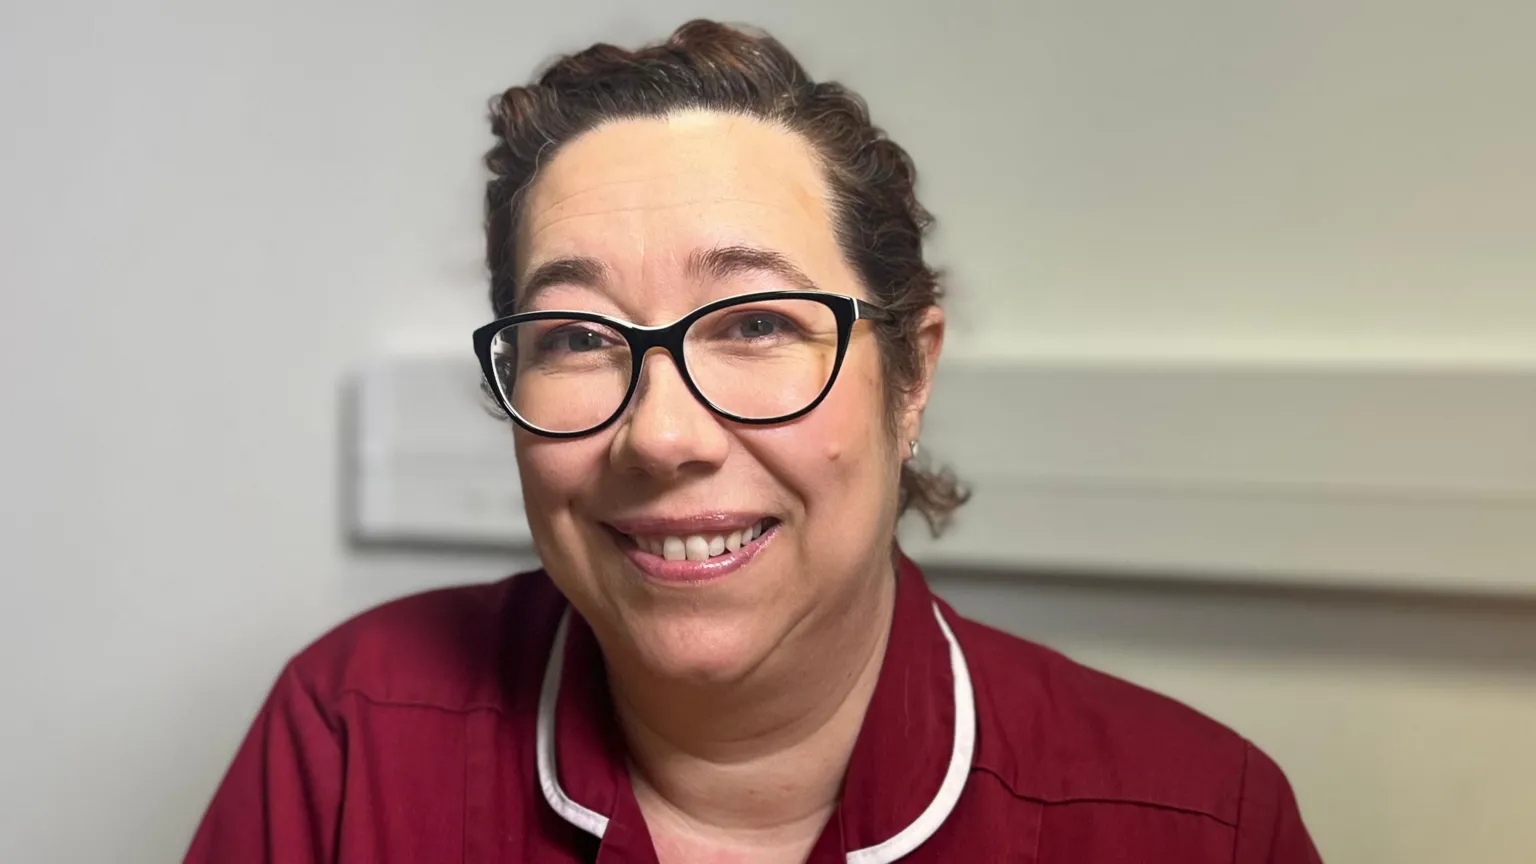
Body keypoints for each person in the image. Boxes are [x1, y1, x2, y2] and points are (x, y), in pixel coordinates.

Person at [187, 19, 1322, 864]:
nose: (661, 434)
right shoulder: (350, 742)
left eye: (756, 324)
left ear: (912, 374)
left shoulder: (1198, 824)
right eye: (577, 337)